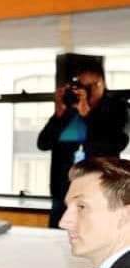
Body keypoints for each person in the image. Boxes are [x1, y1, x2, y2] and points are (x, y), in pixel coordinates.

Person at [37, 62, 129, 228]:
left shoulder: (117, 107)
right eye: (80, 85)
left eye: (88, 86)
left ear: (100, 84)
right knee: (57, 236)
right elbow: (43, 143)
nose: (84, 91)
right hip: (63, 192)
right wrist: (59, 114)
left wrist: (88, 115)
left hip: (99, 191)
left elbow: (115, 144)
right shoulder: (69, 110)